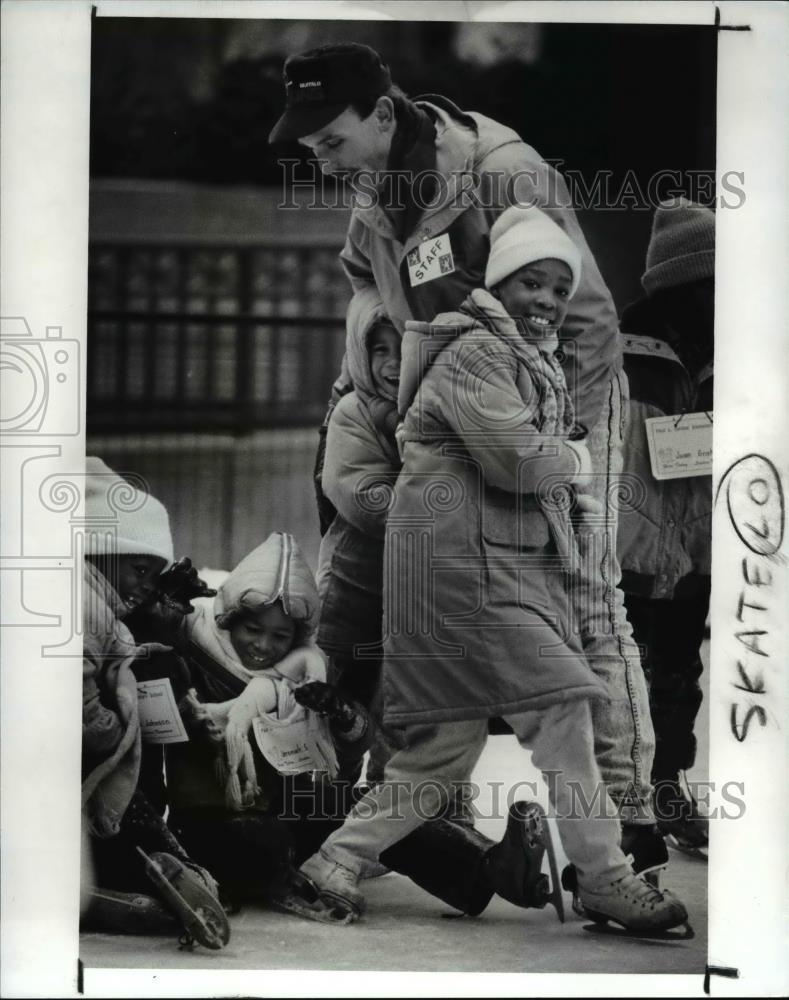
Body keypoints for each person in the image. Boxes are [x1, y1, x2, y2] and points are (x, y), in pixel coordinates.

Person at [269, 43, 660, 858]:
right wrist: (377, 373)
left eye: (330, 141)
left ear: (382, 113)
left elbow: (585, 320)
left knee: (583, 601)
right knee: (404, 595)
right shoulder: (373, 189)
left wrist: (563, 457)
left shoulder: (502, 168)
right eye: (309, 150)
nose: (322, 160)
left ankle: (628, 823)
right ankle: (411, 807)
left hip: (557, 409)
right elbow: (364, 279)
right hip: (448, 421)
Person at [296, 206, 689, 935]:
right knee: (566, 714)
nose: (543, 300)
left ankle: (334, 863)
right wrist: (573, 460)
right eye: (529, 282)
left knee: (439, 755)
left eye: (556, 289)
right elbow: (515, 462)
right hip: (477, 579)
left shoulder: (503, 357)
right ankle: (605, 878)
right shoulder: (479, 354)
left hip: (451, 580)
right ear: (497, 284)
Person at [81, 457, 229, 949]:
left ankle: (139, 876)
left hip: (87, 759)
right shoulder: (82, 603)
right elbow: (73, 694)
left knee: (115, 817)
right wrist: (113, 730)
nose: (147, 586)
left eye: (156, 575)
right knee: (114, 818)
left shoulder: (105, 606)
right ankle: (149, 877)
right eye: (140, 569)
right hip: (72, 755)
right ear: (100, 549)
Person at [617, 198, 714, 855]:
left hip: (695, 546)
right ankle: (627, 801)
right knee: (626, 679)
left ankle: (667, 782)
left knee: (680, 672)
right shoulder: (620, 350)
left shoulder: (728, 351)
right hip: (631, 546)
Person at [316, 286, 404, 788]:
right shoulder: (354, 412)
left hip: (412, 594)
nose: (393, 363)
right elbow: (361, 497)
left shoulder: (425, 409)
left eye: (403, 349)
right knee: (345, 703)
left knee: (398, 706)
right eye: (379, 349)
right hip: (357, 586)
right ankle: (332, 793)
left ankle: (387, 798)